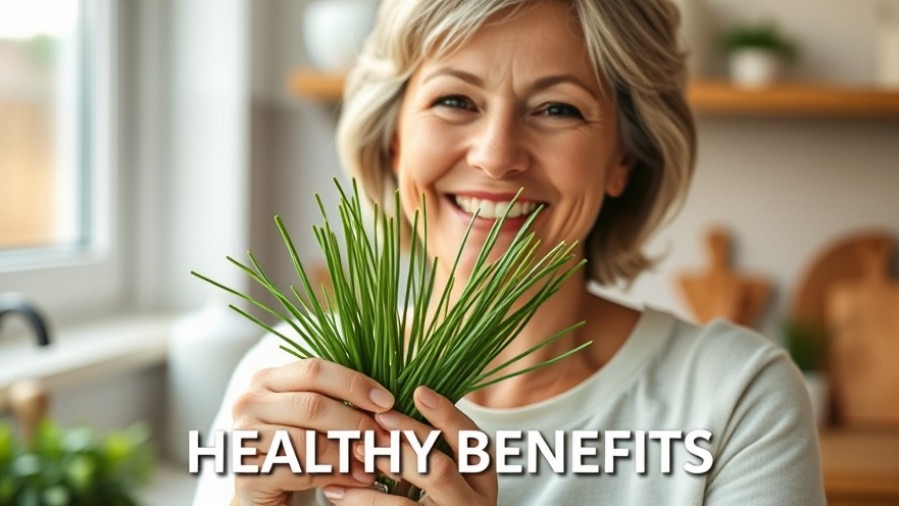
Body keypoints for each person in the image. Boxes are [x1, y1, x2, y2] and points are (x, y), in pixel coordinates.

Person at [193, 0, 826, 504]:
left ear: (623, 161)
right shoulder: (287, 378)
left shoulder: (735, 399)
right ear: (394, 142)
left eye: (557, 108)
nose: (496, 155)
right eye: (454, 100)